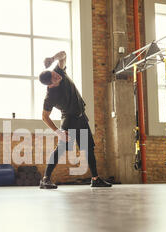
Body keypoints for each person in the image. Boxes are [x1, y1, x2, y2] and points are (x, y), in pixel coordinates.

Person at [38, 51, 112, 189]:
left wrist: (53, 58)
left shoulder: (59, 71)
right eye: (54, 77)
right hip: (69, 121)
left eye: (55, 74)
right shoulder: (50, 96)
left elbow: (64, 55)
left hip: (81, 118)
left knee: (89, 148)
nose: (57, 75)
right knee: (61, 149)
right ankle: (45, 179)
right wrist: (58, 132)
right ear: (50, 85)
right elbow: (44, 116)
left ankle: (95, 179)